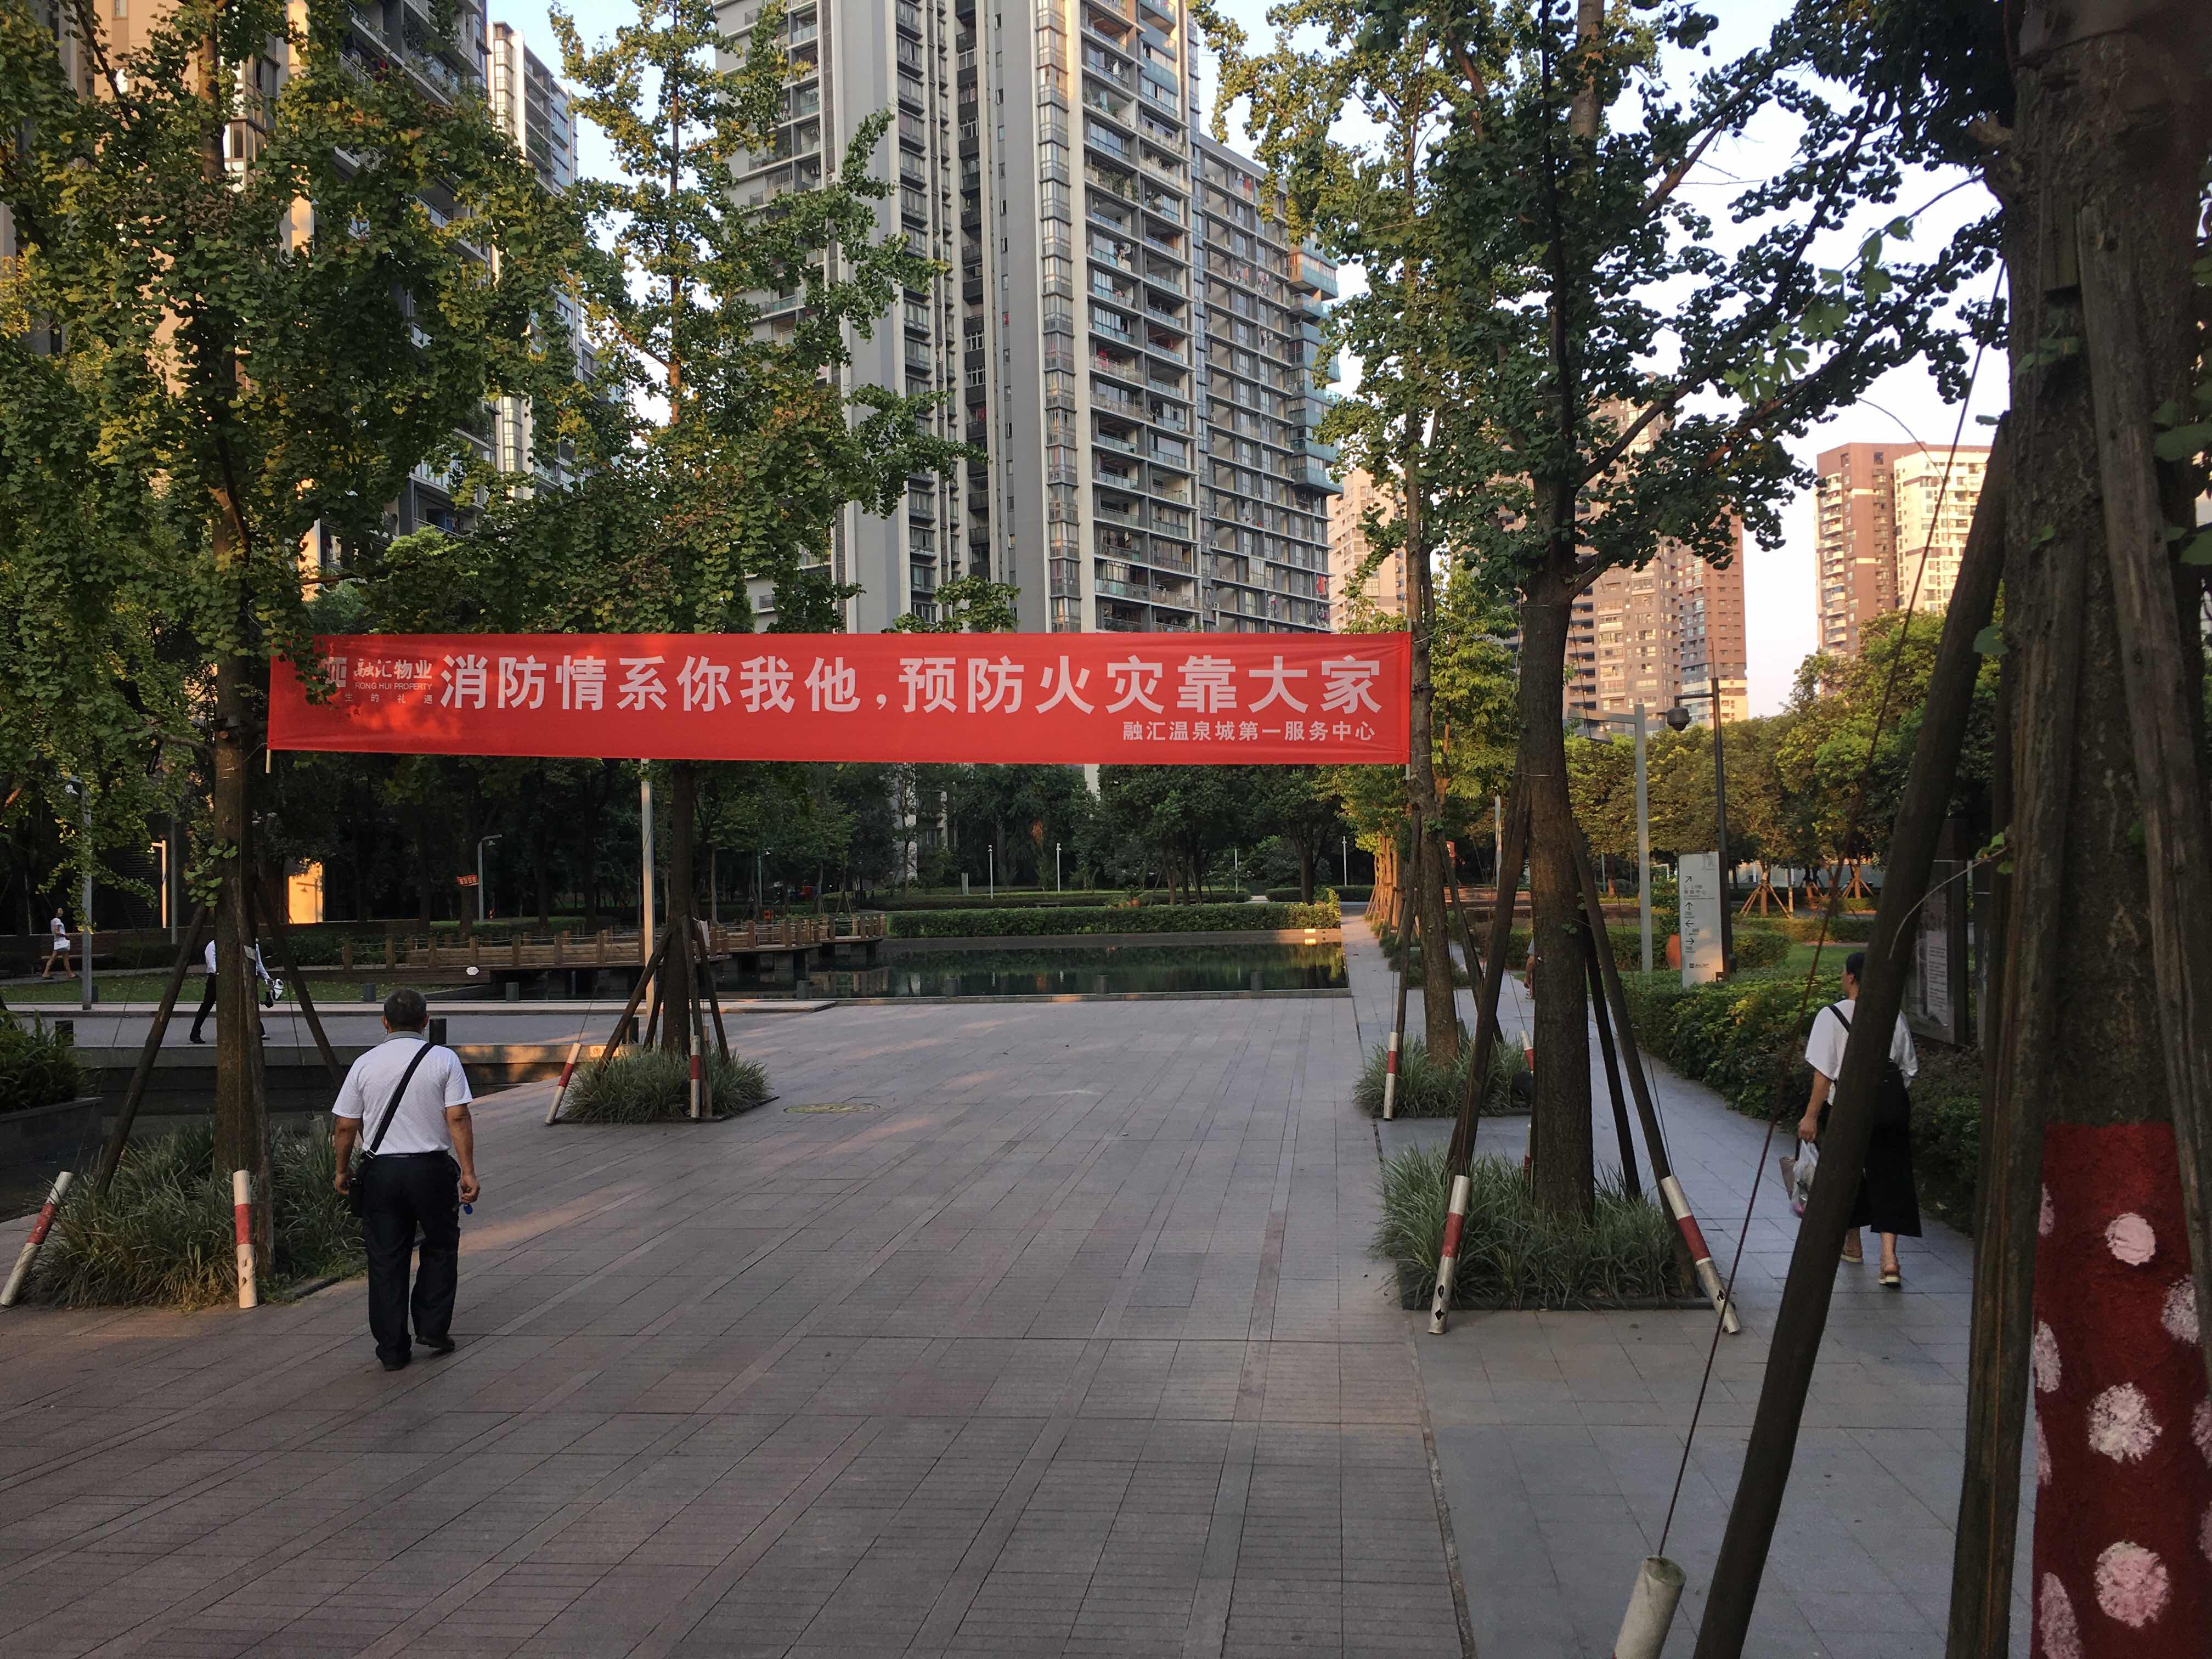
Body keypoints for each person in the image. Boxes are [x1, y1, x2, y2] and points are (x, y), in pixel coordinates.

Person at [331, 988, 480, 1370]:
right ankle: (432, 1327)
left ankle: (392, 1350)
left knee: (385, 1259)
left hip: (381, 1173)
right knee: (441, 1246)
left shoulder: (364, 1064)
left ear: (384, 1022)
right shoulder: (444, 1059)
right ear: (425, 1021)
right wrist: (468, 1170)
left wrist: (342, 1169)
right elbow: (458, 1117)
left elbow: (346, 1125)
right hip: (431, 1171)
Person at [1797, 950, 1921, 1287]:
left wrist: (1811, 1117)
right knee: (1891, 1176)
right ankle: (1889, 1261)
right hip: (1890, 1109)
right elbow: (1908, 1069)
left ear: (1851, 977)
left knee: (1845, 1176)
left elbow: (1823, 1075)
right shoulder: (1894, 1015)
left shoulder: (1831, 1015)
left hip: (1846, 1110)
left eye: (1843, 972)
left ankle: (1853, 1245)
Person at [189, 936, 272, 1043]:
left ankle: (258, 1030)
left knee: (244, 1003)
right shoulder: (213, 946)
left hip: (235, 978)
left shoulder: (250, 945)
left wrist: (267, 978)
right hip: (216, 980)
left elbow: (257, 963)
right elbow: (213, 965)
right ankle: (195, 1033)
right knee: (207, 1005)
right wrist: (224, 975)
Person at [41, 911, 72, 979]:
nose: (62, 912)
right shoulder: (57, 920)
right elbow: (56, 932)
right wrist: (65, 935)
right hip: (61, 942)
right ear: (56, 912)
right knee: (64, 958)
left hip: (57, 941)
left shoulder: (52, 921)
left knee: (55, 958)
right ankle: (70, 975)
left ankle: (46, 973)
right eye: (60, 910)